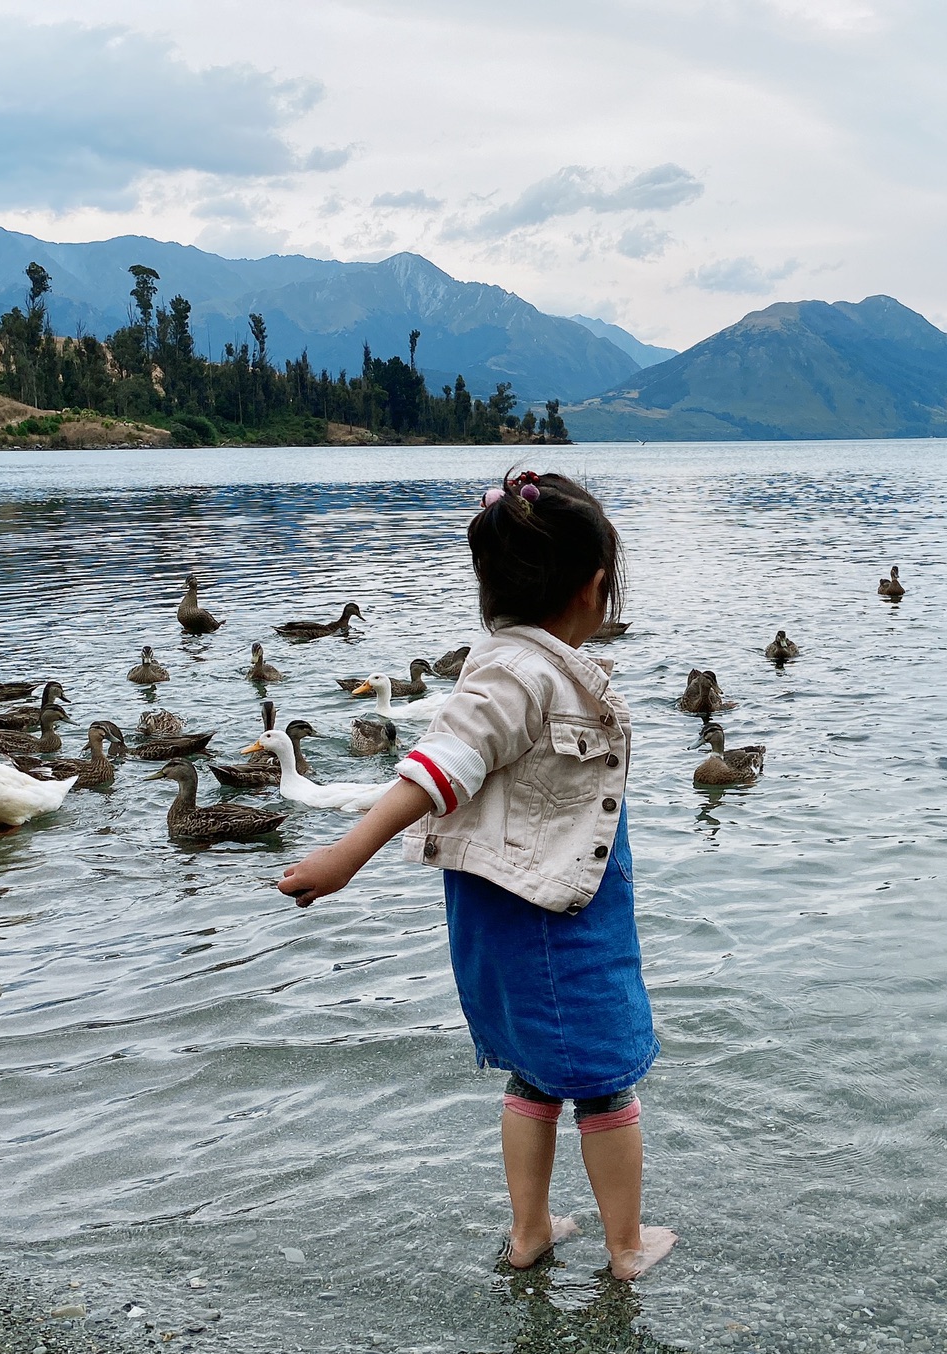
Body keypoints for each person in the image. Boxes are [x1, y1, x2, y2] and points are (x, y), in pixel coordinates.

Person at [277, 471, 675, 1280]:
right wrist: (349, 853)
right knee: (604, 1078)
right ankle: (627, 1248)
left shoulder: (508, 665)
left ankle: (532, 1234)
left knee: (535, 1070)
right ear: (596, 589)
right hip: (554, 913)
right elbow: (437, 769)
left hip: (516, 903)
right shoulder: (521, 676)